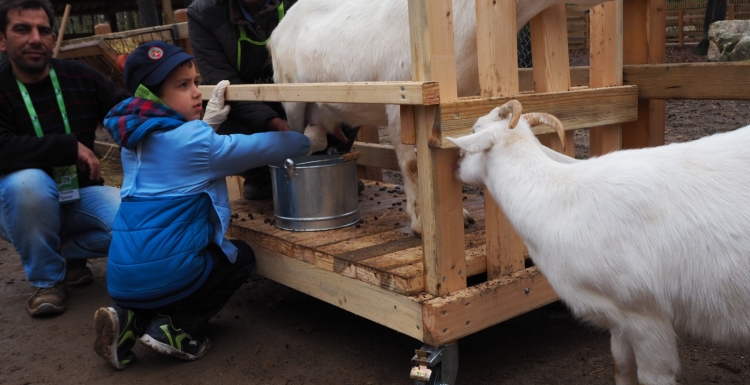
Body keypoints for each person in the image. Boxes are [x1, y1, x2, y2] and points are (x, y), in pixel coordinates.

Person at [93, 41, 320, 369]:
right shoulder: (195, 144)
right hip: (166, 274)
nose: (197, 92)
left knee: (157, 272)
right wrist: (308, 140)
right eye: (183, 85)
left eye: (196, 82)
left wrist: (206, 124)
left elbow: (178, 151)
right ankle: (179, 328)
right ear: (151, 95)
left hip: (121, 279)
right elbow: (257, 147)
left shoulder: (132, 145)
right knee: (239, 258)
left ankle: (129, 319)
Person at [0, 0, 127, 317]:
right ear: (1, 40)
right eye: (22, 29)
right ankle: (47, 281)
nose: (35, 38)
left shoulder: (81, 77)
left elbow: (125, 111)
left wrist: (169, 112)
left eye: (44, 30)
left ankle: (65, 255)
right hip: (22, 203)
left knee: (132, 223)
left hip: (81, 193)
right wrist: (66, 148)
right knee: (27, 183)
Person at [187, 0, 300, 200]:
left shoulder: (300, 4)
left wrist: (321, 109)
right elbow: (221, 80)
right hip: (247, 112)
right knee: (220, 113)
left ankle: (329, 162)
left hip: (300, 102)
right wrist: (278, 124)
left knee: (345, 103)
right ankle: (262, 177)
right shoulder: (204, 14)